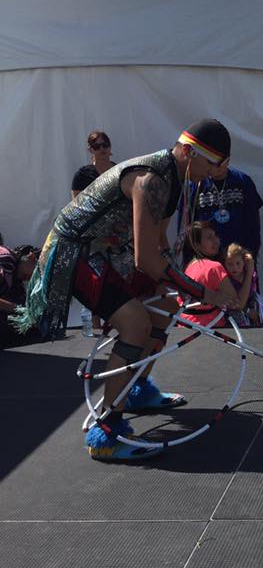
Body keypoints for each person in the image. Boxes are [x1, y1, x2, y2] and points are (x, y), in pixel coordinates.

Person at [13, 119, 233, 462]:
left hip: (111, 251)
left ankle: (137, 390)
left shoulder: (177, 180)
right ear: (190, 153)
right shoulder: (151, 179)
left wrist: (174, 284)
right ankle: (107, 433)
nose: (211, 175)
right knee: (135, 324)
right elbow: (145, 259)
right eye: (211, 165)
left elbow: (158, 245)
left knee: (164, 302)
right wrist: (203, 292)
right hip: (78, 252)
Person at [184, 154, 263, 259]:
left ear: (227, 160)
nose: (213, 168)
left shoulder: (243, 181)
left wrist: (251, 255)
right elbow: (187, 225)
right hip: (207, 259)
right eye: (210, 162)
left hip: (238, 259)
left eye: (218, 164)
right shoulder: (195, 184)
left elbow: (254, 220)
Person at [182, 222, 255, 327]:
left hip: (185, 326)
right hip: (210, 329)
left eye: (215, 236)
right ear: (197, 245)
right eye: (209, 238)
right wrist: (249, 273)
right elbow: (238, 305)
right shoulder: (214, 268)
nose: (216, 241)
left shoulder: (189, 266)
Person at [225, 242, 263, 325]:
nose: (234, 268)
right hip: (238, 311)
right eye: (230, 264)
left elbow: (253, 295)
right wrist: (248, 311)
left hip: (251, 305)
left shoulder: (249, 275)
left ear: (244, 262)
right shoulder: (227, 280)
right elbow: (233, 304)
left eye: (238, 263)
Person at [0, 245, 40, 347]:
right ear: (31, 257)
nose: (31, 278)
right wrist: (17, 309)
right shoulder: (6, 261)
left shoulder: (16, 279)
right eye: (37, 272)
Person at [71, 130, 116, 197]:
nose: (102, 148)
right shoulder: (82, 175)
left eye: (105, 145)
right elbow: (76, 204)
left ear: (110, 146)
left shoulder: (119, 171)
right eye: (96, 147)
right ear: (90, 149)